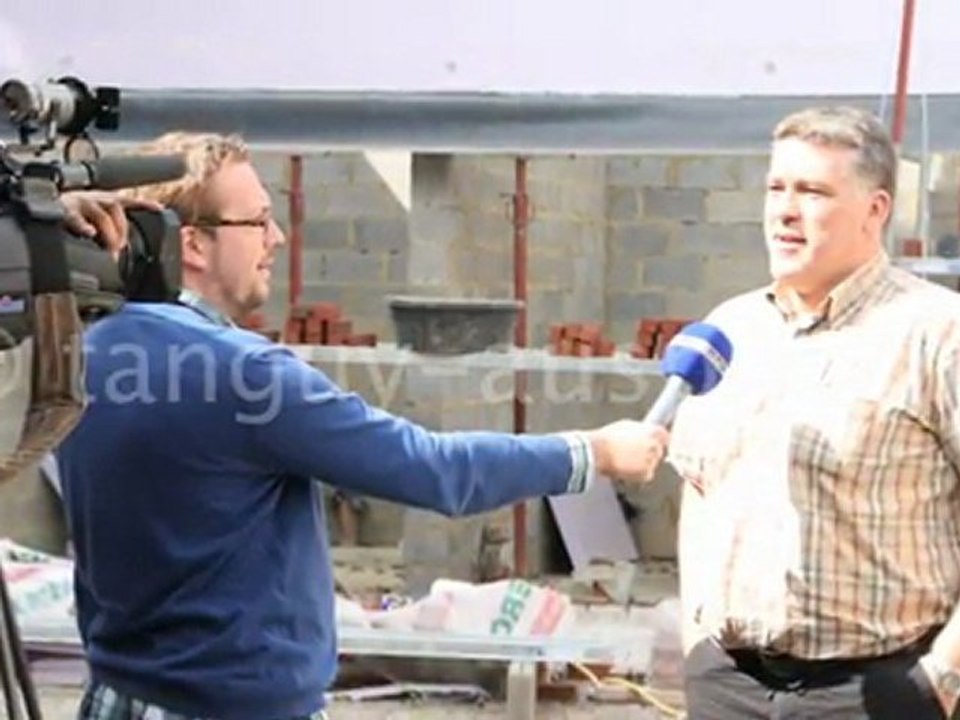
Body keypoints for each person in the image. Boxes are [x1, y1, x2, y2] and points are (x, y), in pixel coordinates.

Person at [53, 132, 670, 720]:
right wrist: (594, 453)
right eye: (258, 220)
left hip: (118, 696)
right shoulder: (246, 374)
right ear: (191, 243)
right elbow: (436, 471)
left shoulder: (87, 349)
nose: (278, 236)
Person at [669, 105, 960, 719]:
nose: (785, 211)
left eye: (813, 191)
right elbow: (699, 488)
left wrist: (940, 679)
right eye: (777, 188)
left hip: (875, 693)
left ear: (876, 210)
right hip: (729, 686)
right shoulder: (730, 328)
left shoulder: (936, 333)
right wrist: (697, 643)